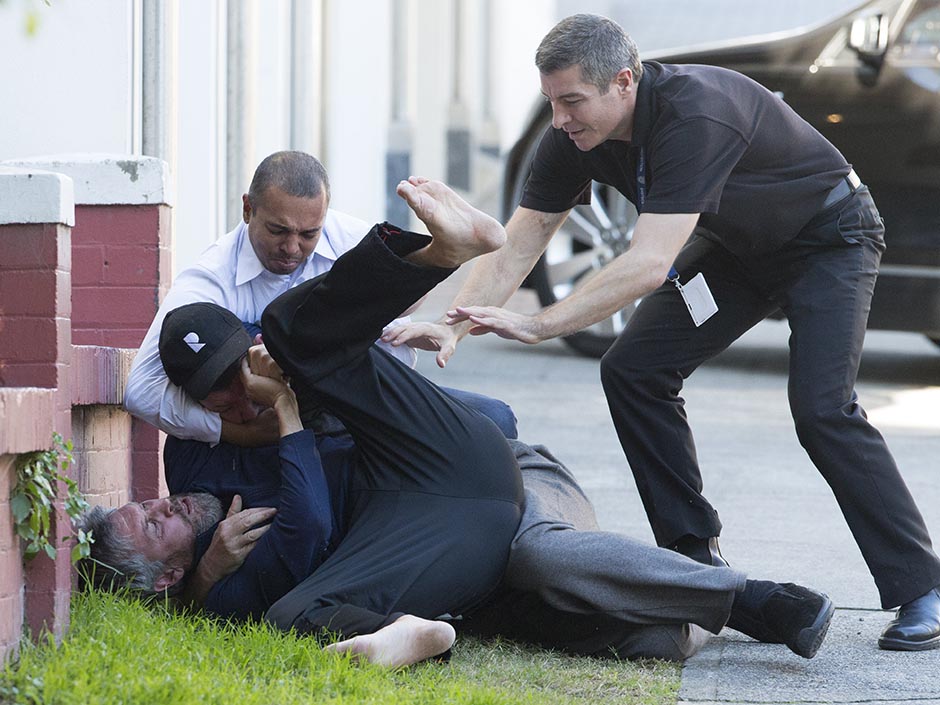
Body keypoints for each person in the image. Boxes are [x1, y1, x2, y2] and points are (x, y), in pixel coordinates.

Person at [83, 179, 836, 663]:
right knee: (587, 607)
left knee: (536, 550)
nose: (240, 390)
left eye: (241, 364)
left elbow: (481, 416)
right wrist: (204, 576)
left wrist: (288, 406)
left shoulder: (290, 380)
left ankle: (440, 250)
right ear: (194, 410)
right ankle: (708, 611)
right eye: (219, 391)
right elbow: (289, 538)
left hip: (501, 467)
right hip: (427, 540)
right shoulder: (200, 467)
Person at [381, 15, 940, 651]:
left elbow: (648, 264)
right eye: (551, 102)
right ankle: (694, 566)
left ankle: (921, 588)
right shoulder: (573, 137)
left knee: (822, 408)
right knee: (633, 370)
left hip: (830, 237)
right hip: (740, 252)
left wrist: (540, 324)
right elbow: (522, 241)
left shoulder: (695, 113)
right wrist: (454, 325)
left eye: (571, 101)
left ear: (623, 82)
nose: (560, 118)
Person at [123, 150, 516, 447]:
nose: (292, 247)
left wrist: (409, 329)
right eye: (278, 230)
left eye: (308, 234)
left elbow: (401, 308)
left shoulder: (341, 234)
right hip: (307, 425)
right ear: (247, 209)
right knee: (289, 321)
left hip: (379, 400)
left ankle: (442, 252)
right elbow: (140, 391)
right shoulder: (212, 277)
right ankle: (440, 253)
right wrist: (241, 434)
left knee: (496, 419)